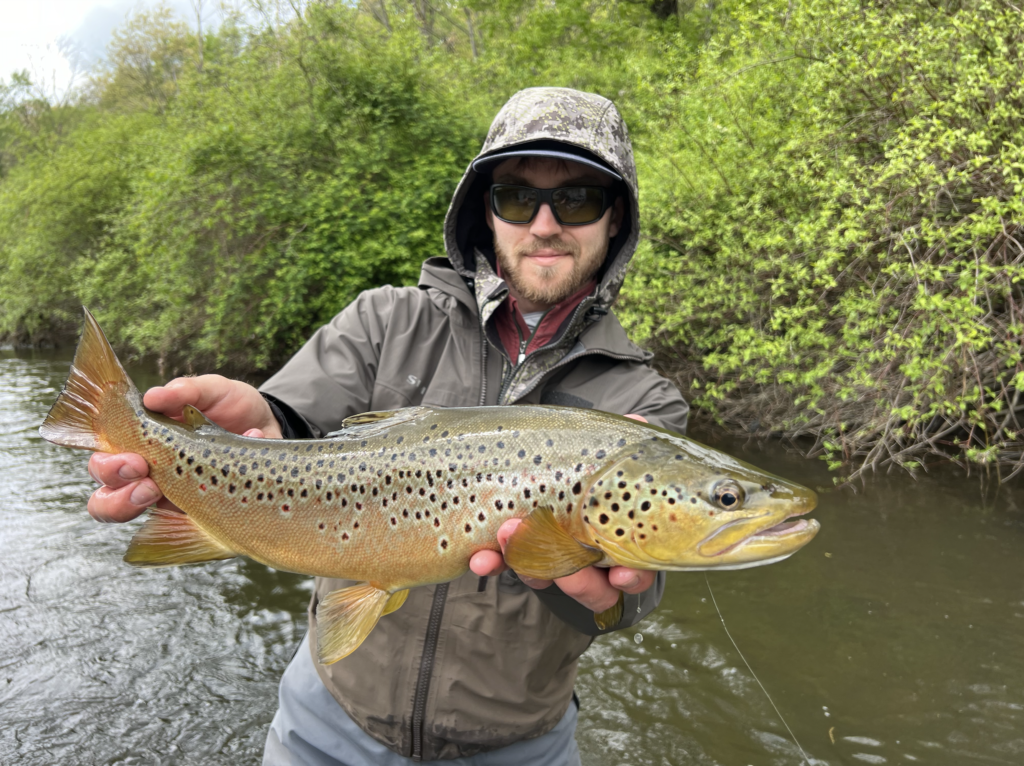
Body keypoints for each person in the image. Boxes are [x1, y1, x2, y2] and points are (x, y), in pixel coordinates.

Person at [85, 87, 689, 764]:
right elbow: (286, 424)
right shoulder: (386, 321)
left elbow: (629, 603)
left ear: (616, 221)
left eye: (577, 200)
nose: (544, 224)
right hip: (325, 725)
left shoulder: (644, 405)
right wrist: (260, 423)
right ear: (485, 215)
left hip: (519, 746)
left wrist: (603, 591)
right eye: (518, 198)